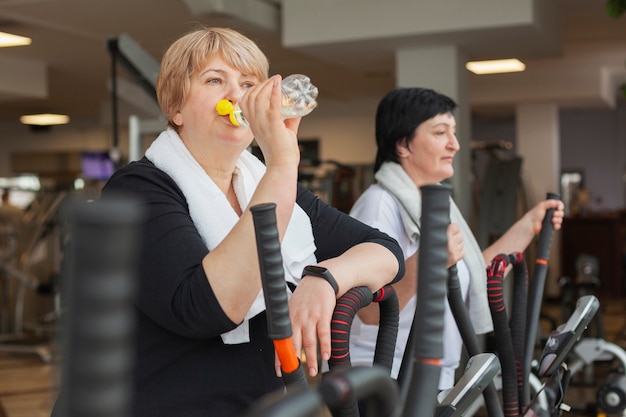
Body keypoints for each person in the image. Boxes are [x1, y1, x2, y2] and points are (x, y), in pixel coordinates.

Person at [53, 26, 404, 417]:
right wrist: (284, 162)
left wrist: (324, 278)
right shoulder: (140, 188)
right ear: (176, 109)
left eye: (249, 83)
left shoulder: (264, 183)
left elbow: (387, 253)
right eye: (214, 80)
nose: (237, 95)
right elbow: (206, 308)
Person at [348, 87, 564, 391]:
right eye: (440, 133)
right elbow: (367, 309)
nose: (455, 144)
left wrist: (529, 226)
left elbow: (470, 270)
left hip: (432, 374)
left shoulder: (435, 203)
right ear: (403, 144)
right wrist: (429, 260)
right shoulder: (380, 205)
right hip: (386, 377)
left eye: (454, 132)